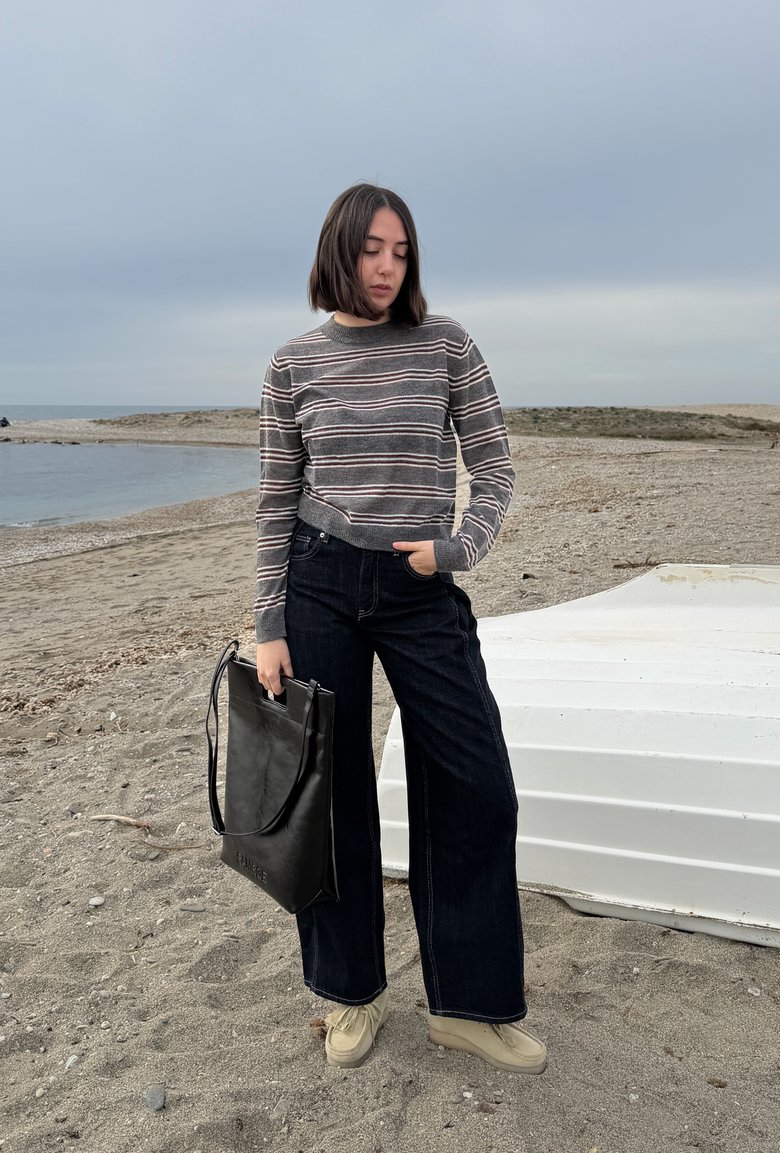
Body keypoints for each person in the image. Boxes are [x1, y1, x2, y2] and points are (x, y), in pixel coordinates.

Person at [254, 183, 546, 1075]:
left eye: (402, 252)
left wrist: (457, 549)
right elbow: (274, 502)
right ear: (338, 250)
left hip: (422, 588)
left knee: (476, 785)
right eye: (372, 249)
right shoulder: (292, 364)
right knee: (331, 796)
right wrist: (270, 624)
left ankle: (470, 1004)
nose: (386, 267)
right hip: (321, 581)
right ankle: (348, 996)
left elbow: (494, 468)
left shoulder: (445, 344)